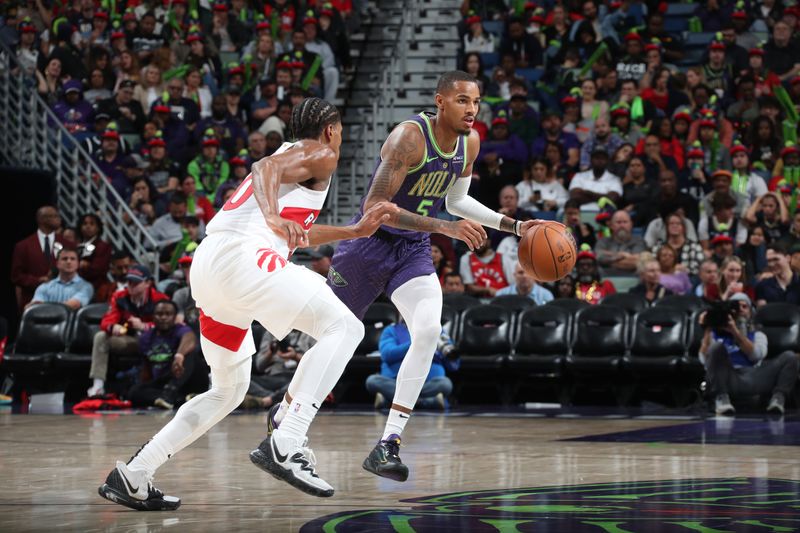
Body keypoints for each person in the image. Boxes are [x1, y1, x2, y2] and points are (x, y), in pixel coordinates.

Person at [98, 98, 397, 509]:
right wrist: (275, 218)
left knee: (228, 390)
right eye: (341, 132)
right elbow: (263, 170)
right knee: (345, 328)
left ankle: (133, 473)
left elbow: (296, 235)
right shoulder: (320, 152)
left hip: (211, 265)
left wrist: (354, 231)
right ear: (331, 130)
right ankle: (288, 440)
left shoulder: (296, 164)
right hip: (244, 259)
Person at [324, 71, 541, 482]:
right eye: (462, 101)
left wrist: (515, 226)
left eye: (476, 102)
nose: (472, 110)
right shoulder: (409, 137)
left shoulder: (470, 143)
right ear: (440, 101)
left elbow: (456, 201)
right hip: (369, 245)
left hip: (412, 250)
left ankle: (388, 443)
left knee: (427, 332)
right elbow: (376, 205)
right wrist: (444, 228)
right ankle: (285, 420)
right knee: (331, 336)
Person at [699, 292, 798, 416]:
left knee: (790, 357)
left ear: (751, 312)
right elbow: (704, 360)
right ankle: (721, 399)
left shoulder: (758, 335)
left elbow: (756, 356)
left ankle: (778, 400)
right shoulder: (715, 335)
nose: (740, 310)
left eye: (744, 306)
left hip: (754, 377)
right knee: (715, 347)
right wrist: (708, 327)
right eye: (736, 307)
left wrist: (735, 332)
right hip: (727, 378)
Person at [88, 264, 169, 398]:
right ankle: (97, 386)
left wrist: (144, 326)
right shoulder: (119, 296)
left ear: (148, 283)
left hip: (154, 341)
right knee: (101, 336)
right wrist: (113, 327)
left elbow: (168, 326)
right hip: (130, 340)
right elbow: (106, 321)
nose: (131, 285)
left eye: (136, 282)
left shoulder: (160, 299)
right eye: (129, 281)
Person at [366, 319, 456, 411]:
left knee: (445, 384)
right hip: (397, 381)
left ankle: (391, 401)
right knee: (372, 381)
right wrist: (416, 344)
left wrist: (446, 353)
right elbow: (387, 354)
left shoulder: (437, 331)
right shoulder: (391, 330)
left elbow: (454, 365)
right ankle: (426, 402)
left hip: (427, 382)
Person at [128, 301, 198, 410]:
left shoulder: (181, 329)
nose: (163, 317)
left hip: (184, 378)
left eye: (168, 314)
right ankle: (179, 399)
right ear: (153, 317)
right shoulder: (146, 338)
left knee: (190, 355)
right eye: (159, 314)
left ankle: (171, 394)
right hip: (163, 381)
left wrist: (179, 356)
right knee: (134, 392)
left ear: (174, 317)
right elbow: (146, 368)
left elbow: (190, 338)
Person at [11, 206, 74, 311]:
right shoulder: (23, 246)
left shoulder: (68, 244)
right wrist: (38, 280)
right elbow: (16, 276)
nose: (59, 219)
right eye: (54, 216)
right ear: (42, 219)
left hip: (62, 301)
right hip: (33, 301)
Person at [27, 247, 93, 309]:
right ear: (57, 264)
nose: (68, 262)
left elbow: (73, 305)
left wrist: (43, 307)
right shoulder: (44, 287)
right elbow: (33, 308)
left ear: (78, 264)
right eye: (65, 259)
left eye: (72, 259)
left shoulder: (86, 287)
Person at [595, 210, 646, 276]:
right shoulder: (603, 241)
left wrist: (609, 261)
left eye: (625, 222)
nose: (622, 225)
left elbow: (638, 261)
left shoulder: (639, 241)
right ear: (611, 225)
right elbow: (598, 257)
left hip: (633, 277)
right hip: (606, 277)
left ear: (631, 224)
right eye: (618, 222)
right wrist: (621, 255)